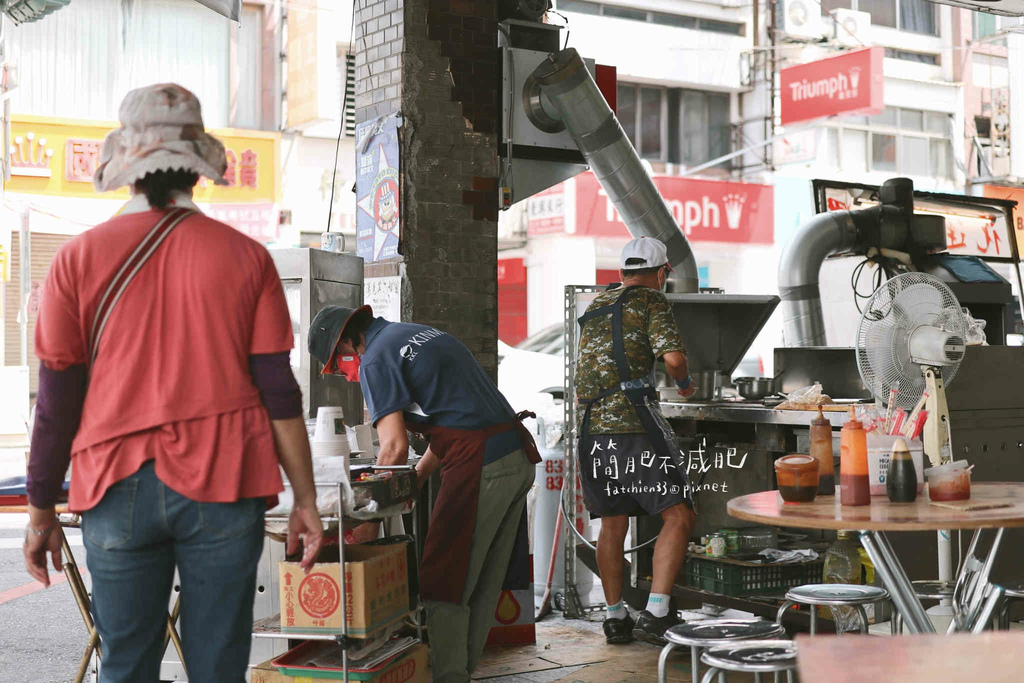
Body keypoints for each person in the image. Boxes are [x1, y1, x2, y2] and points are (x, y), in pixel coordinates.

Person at [22, 84, 324, 683]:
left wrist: (39, 513)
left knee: (127, 664)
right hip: (226, 480)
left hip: (113, 484)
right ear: (196, 167)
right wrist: (306, 500)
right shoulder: (245, 258)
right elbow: (278, 392)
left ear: (126, 166)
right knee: (218, 668)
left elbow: (56, 403)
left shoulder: (75, 260)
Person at [308, 305, 539, 683]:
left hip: (483, 464)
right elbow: (450, 423)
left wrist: (370, 516)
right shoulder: (415, 333)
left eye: (339, 365)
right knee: (479, 581)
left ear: (348, 343)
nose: (347, 376)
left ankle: (450, 676)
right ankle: (460, 672)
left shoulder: (375, 360)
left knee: (443, 580)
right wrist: (416, 478)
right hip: (514, 457)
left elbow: (393, 447)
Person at [575, 236, 697, 646]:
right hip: (632, 427)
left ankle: (614, 616)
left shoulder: (596, 303)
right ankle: (657, 613)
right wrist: (684, 384)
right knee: (678, 516)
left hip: (593, 430)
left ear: (622, 272)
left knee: (613, 523)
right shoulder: (651, 301)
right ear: (662, 272)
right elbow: (675, 360)